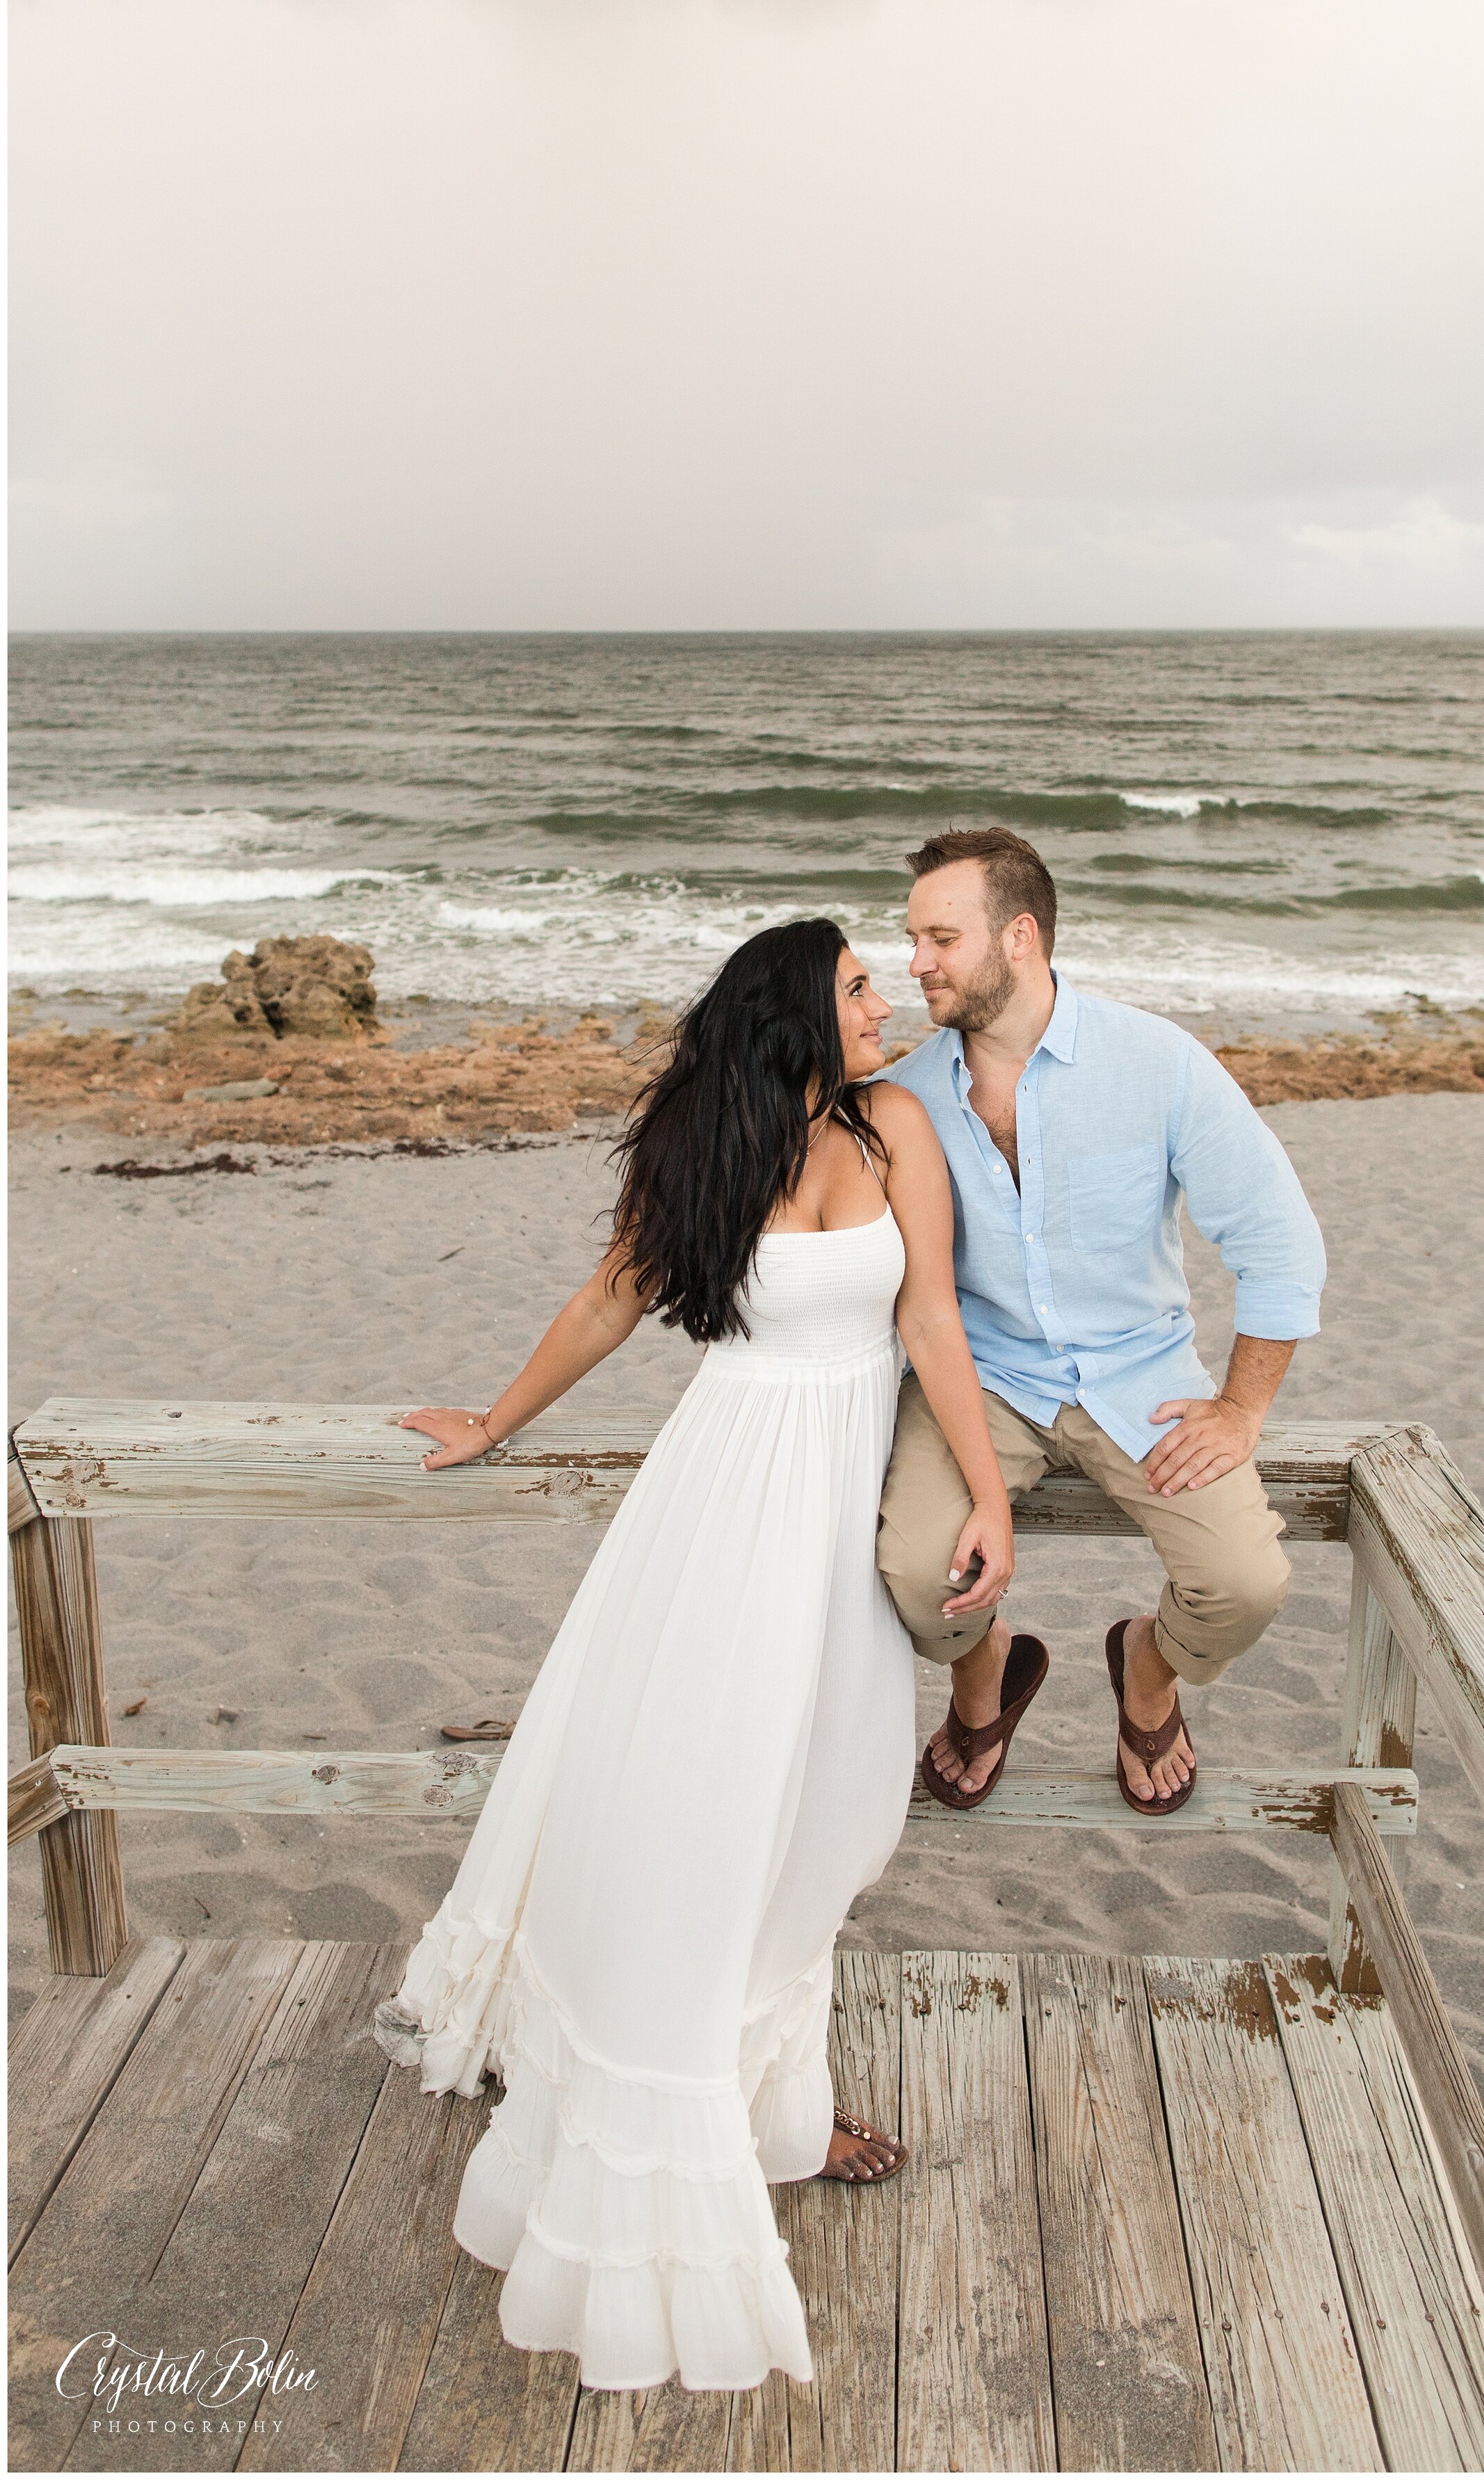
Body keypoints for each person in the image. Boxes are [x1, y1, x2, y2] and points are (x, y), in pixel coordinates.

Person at [371, 919, 1015, 2392]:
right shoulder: (702, 1153)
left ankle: (775, 2110)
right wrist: (491, 1418)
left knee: (818, 1814)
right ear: (792, 1014)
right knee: (688, 1812)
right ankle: (688, 2116)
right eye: (855, 987)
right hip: (716, 1505)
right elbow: (611, 1299)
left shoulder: (898, 1122)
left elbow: (927, 1319)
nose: (881, 1003)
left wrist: (982, 1491)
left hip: (829, 1532)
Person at [875, 828, 1326, 1817]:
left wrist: (1242, 1409)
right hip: (985, 1383)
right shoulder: (901, 1097)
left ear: (1020, 937)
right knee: (914, 1580)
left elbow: (1281, 1244)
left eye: (942, 938)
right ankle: (986, 1667)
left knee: (1244, 1587)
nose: (915, 963)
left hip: (1140, 1377)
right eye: (913, 938)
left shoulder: (1158, 1063)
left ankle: (1147, 1669)